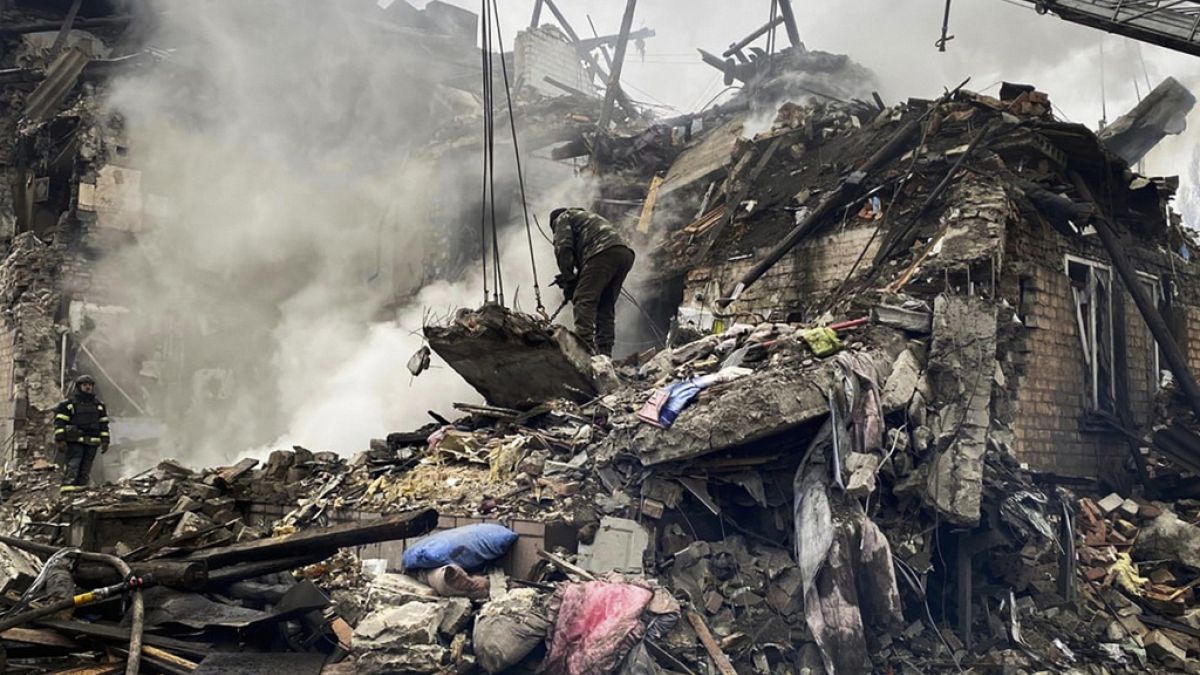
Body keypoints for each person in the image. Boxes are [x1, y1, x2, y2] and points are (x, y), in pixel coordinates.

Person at [550, 207, 636, 357]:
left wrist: (568, 278)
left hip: (602, 252)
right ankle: (605, 354)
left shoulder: (563, 217)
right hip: (624, 254)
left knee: (584, 299)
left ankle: (585, 349)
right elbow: (586, 265)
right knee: (605, 305)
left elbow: (563, 248)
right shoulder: (587, 219)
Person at [53, 374, 110, 492]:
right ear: (79, 386)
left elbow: (103, 424)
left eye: (90, 385)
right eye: (85, 385)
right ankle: (68, 489)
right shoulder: (68, 404)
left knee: (86, 467)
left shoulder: (99, 405)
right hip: (75, 441)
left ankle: (81, 490)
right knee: (74, 464)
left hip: (92, 441)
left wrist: (105, 441)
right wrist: (60, 439)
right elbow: (60, 423)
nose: (88, 387)